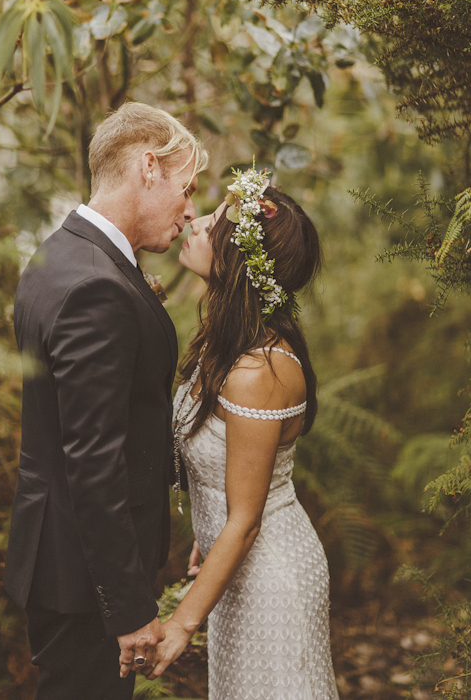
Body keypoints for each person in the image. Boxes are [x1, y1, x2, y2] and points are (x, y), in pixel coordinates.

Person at [3, 102, 208, 700]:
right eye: (186, 187)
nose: (190, 208)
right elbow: (93, 461)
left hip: (64, 562)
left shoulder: (55, 255)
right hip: (85, 580)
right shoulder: (97, 284)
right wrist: (127, 608)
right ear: (150, 167)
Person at [130, 167, 340, 699]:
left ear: (237, 260)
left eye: (213, 225)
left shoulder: (258, 373)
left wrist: (180, 623)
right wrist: (206, 534)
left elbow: (246, 519)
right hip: (233, 574)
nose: (195, 224)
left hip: (272, 580)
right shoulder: (223, 348)